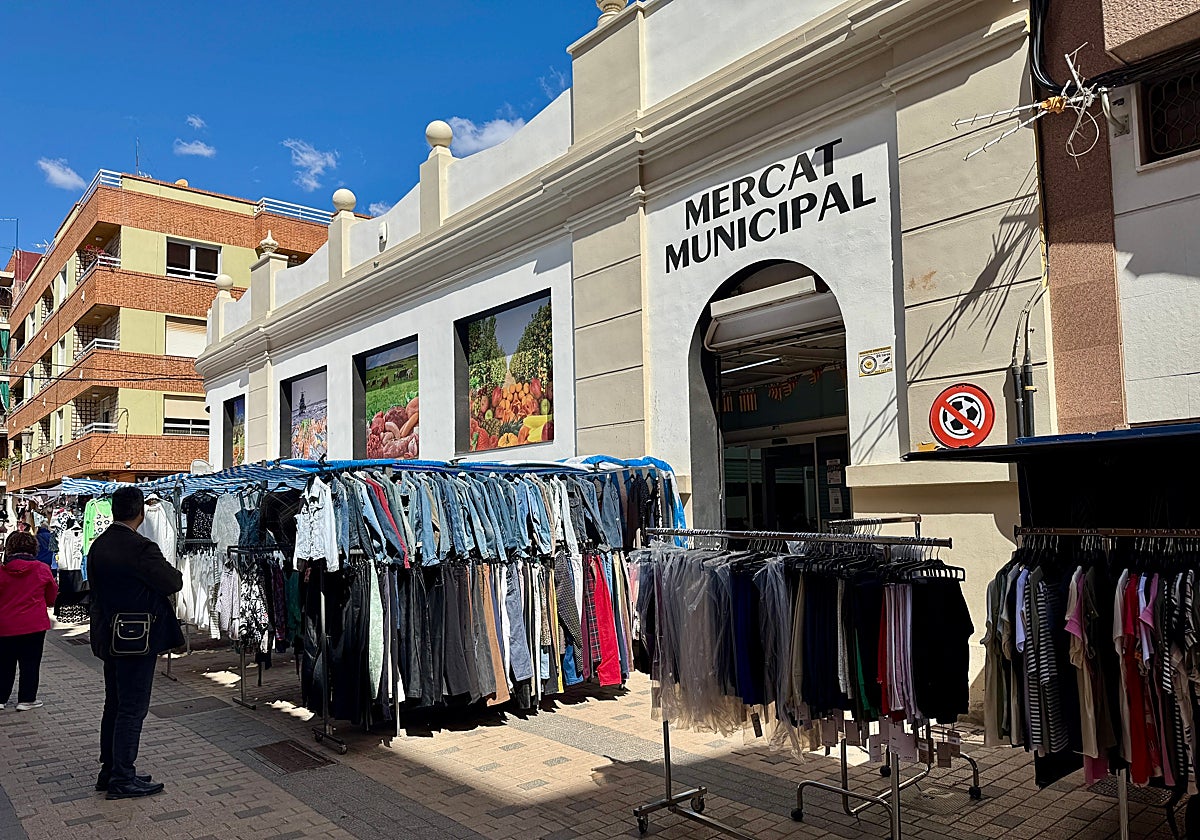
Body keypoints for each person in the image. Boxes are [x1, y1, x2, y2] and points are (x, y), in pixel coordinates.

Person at [88, 486, 183, 800]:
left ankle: (110, 769)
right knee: (132, 707)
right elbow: (173, 581)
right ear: (140, 513)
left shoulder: (98, 546)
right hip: (137, 637)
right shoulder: (141, 547)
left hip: (108, 635)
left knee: (113, 704)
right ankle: (122, 777)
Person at [0, 531, 58, 711]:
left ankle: (1, 698)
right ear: (33, 548)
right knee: (30, 663)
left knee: (4, 663)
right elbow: (51, 598)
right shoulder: (41, 569)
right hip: (34, 625)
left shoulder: (1, 571)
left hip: (5, 626)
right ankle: (26, 699)